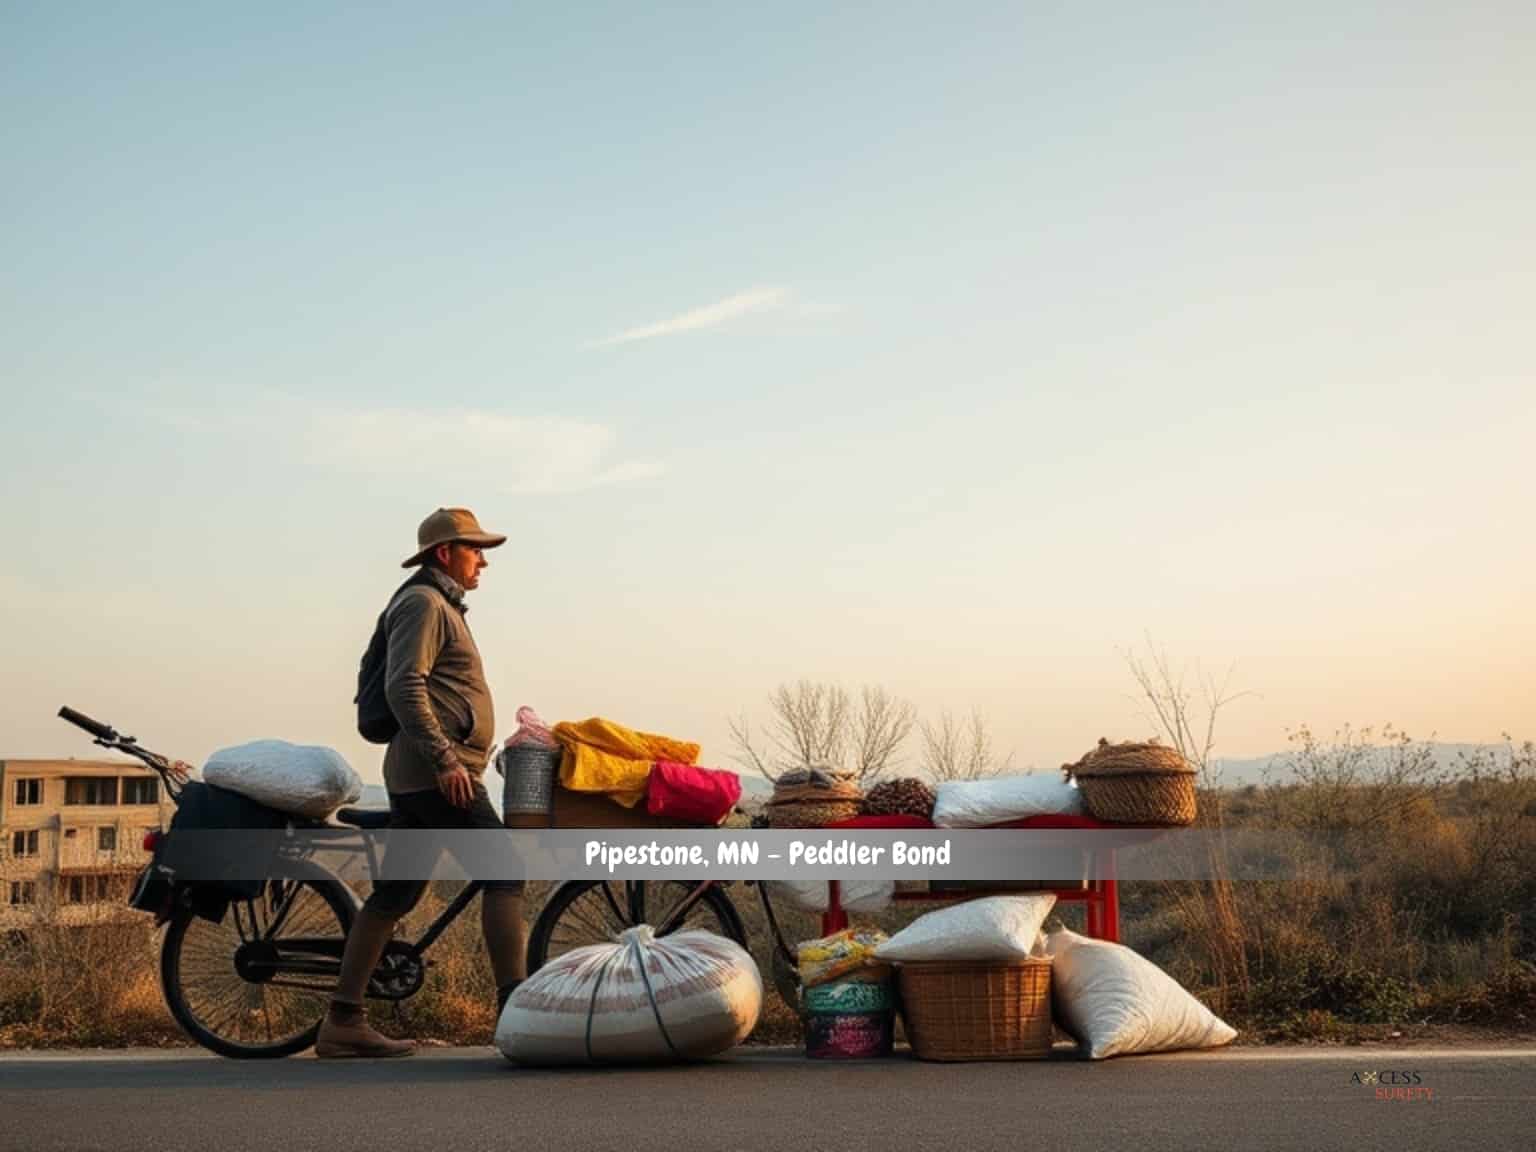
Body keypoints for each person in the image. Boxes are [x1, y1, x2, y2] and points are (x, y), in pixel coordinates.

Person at [316, 507, 527, 1058]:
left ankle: (343, 1021)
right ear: (445, 553)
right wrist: (446, 760)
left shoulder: (440, 605)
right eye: (474, 549)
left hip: (424, 775)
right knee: (505, 873)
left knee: (394, 895)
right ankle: (520, 1016)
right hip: (436, 776)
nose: (483, 560)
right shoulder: (423, 603)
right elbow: (404, 685)